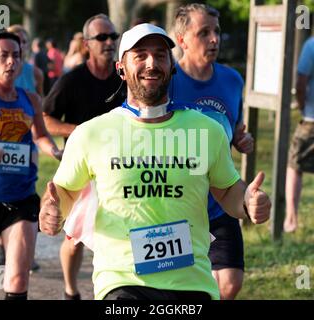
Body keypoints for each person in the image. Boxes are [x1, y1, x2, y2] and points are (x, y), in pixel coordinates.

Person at [39, 23, 271, 300]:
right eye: (140, 56)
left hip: (192, 282)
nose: (152, 63)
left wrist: (248, 202)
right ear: (121, 68)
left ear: (172, 66)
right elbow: (64, 192)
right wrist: (51, 211)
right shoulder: (91, 133)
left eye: (161, 55)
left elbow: (227, 191)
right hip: (122, 281)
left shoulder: (207, 131)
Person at [170, 3, 253, 300]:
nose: (214, 39)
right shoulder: (167, 82)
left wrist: (240, 140)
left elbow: (231, 126)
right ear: (182, 40)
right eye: (203, 32)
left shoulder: (232, 80)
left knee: (230, 283)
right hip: (177, 204)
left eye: (216, 31)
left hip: (220, 198)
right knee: (179, 288)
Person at [42, 13, 124, 300]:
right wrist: (79, 132)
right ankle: (70, 290)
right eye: (102, 37)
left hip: (120, 168)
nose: (109, 42)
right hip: (82, 168)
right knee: (75, 237)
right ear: (87, 43)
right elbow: (46, 118)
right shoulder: (72, 80)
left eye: (113, 36)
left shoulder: (123, 77)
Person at [0, 31, 62, 300]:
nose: (11, 61)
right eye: (4, 55)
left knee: (18, 277)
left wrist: (54, 150)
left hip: (21, 198)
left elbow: (41, 135)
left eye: (16, 56)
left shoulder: (30, 98)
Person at [284, 35, 314, 233]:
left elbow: (300, 81)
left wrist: (303, 106)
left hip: (311, 119)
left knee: (294, 166)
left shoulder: (311, 45)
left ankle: (291, 219)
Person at [7, 25, 44, 96]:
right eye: (16, 40)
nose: (21, 45)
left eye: (24, 42)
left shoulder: (36, 73)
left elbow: (41, 102)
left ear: (28, 46)